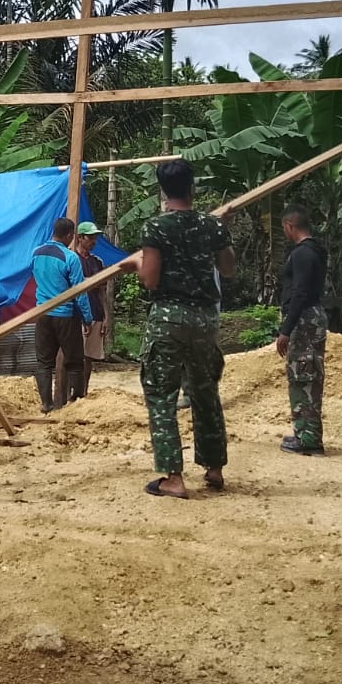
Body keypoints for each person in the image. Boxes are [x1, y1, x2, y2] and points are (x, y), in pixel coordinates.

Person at [139, 160, 235, 499]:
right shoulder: (212, 226)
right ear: (192, 187)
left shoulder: (156, 227)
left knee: (161, 393)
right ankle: (214, 466)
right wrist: (220, 234)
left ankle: (173, 477)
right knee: (205, 391)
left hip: (169, 317)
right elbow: (228, 267)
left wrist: (137, 265)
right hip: (205, 320)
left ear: (163, 190)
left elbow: (150, 279)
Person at [274, 204, 328, 456]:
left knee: (303, 375)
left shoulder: (302, 254)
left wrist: (286, 330)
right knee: (307, 374)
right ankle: (305, 432)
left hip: (304, 319)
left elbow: (300, 292)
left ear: (290, 226)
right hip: (310, 317)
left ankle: (308, 438)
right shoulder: (315, 251)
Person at [32, 217, 93, 412]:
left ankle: (46, 404)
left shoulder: (36, 253)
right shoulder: (70, 257)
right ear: (69, 235)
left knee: (44, 362)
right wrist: (87, 318)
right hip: (65, 315)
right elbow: (79, 291)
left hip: (43, 313)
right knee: (74, 361)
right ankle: (77, 401)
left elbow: (34, 276)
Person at [74, 221, 108, 398]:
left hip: (95, 312)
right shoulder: (72, 259)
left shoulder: (97, 262)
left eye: (95, 237)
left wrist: (106, 317)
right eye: (90, 237)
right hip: (77, 313)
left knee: (89, 357)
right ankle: (73, 392)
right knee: (75, 355)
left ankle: (84, 391)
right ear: (80, 238)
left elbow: (102, 291)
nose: (94, 241)